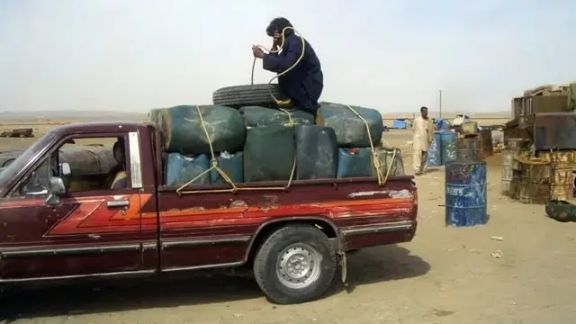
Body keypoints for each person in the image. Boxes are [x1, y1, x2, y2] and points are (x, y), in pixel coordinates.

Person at [252, 17, 323, 114]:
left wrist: (263, 55)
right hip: (300, 89)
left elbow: (285, 65)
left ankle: (308, 107)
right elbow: (277, 63)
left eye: (275, 35)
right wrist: (274, 46)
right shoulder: (288, 45)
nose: (274, 38)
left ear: (281, 32)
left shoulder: (295, 42)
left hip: (307, 91)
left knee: (284, 70)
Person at [412, 106, 434, 175]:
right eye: (424, 112)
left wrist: (430, 139)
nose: (426, 113)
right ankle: (417, 169)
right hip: (418, 140)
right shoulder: (417, 120)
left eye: (426, 112)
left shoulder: (430, 120)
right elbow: (414, 129)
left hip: (426, 140)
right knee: (417, 155)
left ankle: (423, 169)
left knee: (425, 155)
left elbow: (431, 130)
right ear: (421, 112)